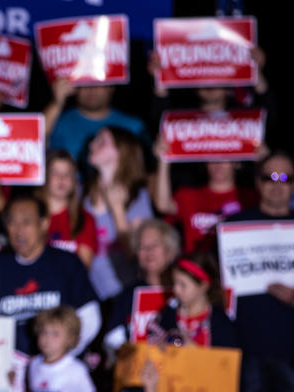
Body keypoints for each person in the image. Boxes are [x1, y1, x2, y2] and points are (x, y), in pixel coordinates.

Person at [225, 151, 294, 392]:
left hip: (291, 352)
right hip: (245, 349)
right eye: (270, 177)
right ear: (257, 183)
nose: (278, 185)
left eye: (285, 178)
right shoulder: (234, 228)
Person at [0, 194, 100, 356]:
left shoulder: (67, 263)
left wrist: (61, 358)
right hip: (12, 368)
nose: (19, 231)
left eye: (27, 222)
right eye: (12, 223)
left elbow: (90, 316)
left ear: (44, 224)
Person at [82, 126, 154, 299]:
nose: (92, 145)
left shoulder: (138, 197)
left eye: (102, 142)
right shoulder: (81, 194)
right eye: (94, 140)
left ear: (122, 152)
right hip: (86, 292)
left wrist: (117, 210)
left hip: (122, 291)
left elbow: (139, 254)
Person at [152, 143, 256, 253]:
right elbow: (163, 205)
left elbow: (275, 182)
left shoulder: (251, 198)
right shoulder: (189, 196)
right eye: (212, 158)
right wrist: (163, 160)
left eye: (225, 157)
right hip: (197, 266)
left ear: (237, 163)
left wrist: (265, 161)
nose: (218, 164)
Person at [27, 307, 102, 392]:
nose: (47, 339)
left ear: (70, 339)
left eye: (55, 334)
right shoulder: (33, 365)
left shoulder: (76, 370)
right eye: (43, 332)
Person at [103, 219, 179, 352]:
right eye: (142, 247)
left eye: (155, 245)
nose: (148, 251)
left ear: (171, 250)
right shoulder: (127, 296)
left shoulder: (185, 291)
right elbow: (113, 339)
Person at [44, 82, 148, 162]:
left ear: (111, 86)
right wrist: (57, 103)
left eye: (98, 83)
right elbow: (34, 141)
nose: (91, 89)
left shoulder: (134, 126)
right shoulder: (58, 122)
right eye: (84, 83)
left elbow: (151, 172)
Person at [151, 254, 237, 348]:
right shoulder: (168, 316)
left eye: (183, 285)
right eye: (174, 283)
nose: (176, 290)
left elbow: (227, 360)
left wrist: (194, 350)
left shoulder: (220, 322)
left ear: (203, 286)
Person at [39, 150, 96, 268]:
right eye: (55, 173)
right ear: (45, 176)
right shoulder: (32, 216)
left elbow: (83, 268)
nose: (61, 179)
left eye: (68, 174)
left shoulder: (85, 219)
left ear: (75, 180)